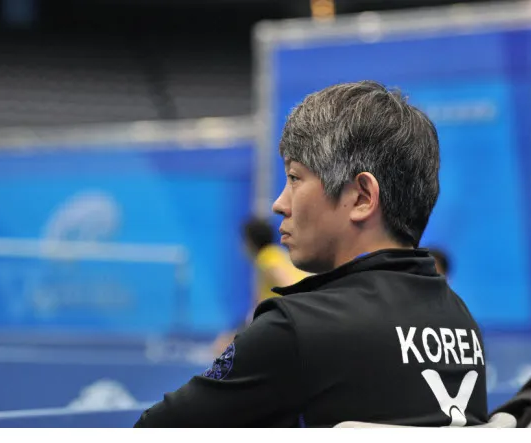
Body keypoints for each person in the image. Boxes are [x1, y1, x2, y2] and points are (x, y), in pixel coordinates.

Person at [134, 81, 487, 427]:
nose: (279, 203)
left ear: (362, 197)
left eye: (294, 178)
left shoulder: (293, 330)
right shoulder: (462, 323)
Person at [211, 217, 308, 356]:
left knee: (222, 348)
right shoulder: (277, 253)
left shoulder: (267, 259)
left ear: (249, 242)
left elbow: (292, 287)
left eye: (242, 241)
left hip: (286, 323)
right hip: (279, 321)